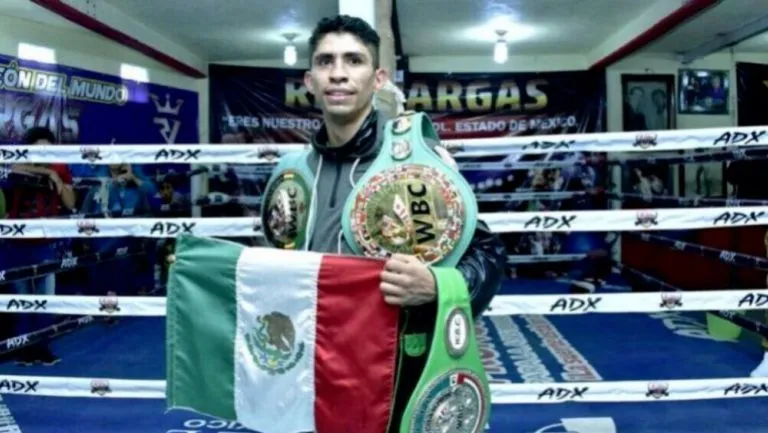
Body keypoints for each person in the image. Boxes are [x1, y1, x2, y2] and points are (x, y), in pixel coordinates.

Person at [260, 15, 507, 432]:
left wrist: (436, 286)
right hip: (310, 369)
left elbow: (488, 255)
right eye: (326, 62)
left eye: (353, 61)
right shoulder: (291, 174)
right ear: (309, 79)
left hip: (393, 371)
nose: (338, 74)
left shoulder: (417, 161)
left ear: (378, 78)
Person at [5, 126, 76, 366]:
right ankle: (24, 350)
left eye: (48, 147)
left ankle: (43, 349)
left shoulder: (60, 167)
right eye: (39, 147)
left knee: (46, 299)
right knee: (23, 300)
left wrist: (59, 179)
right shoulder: (19, 164)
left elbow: (71, 202)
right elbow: (14, 167)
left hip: (46, 243)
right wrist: (48, 175)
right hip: (16, 244)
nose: (44, 151)